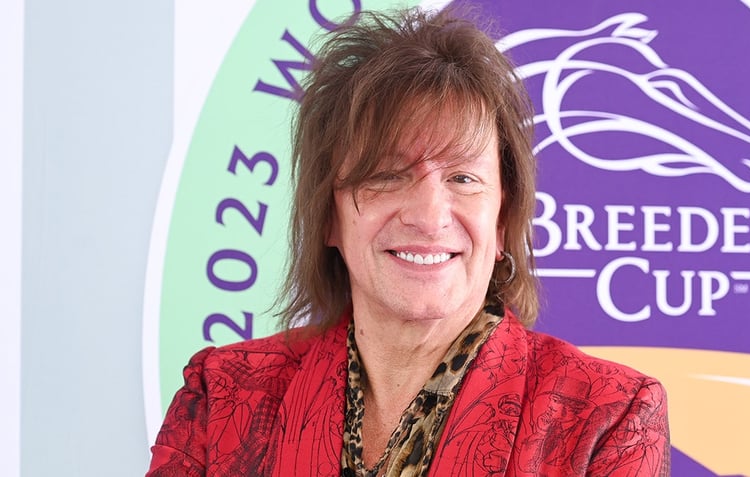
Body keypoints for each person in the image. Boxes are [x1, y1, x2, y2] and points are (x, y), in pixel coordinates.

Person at [146, 6, 670, 477]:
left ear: (503, 218)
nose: (428, 214)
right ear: (328, 217)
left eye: (463, 178)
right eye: (386, 175)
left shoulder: (608, 417)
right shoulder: (223, 398)